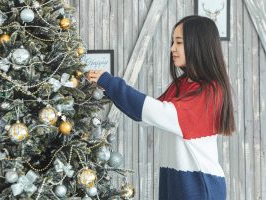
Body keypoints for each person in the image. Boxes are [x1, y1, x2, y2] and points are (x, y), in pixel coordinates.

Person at [87, 15, 235, 200]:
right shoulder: (183, 84)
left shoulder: (210, 91)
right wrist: (106, 89)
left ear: (198, 44)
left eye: (179, 42)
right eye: (173, 42)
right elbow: (146, 117)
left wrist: (110, 83)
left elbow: (157, 112)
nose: (172, 48)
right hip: (176, 182)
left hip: (199, 186)